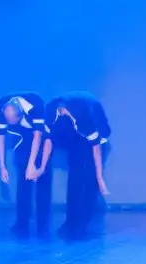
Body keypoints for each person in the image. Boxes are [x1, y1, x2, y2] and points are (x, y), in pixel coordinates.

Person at [46, 92, 111, 238]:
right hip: (74, 138)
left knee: (89, 179)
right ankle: (71, 221)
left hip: (96, 138)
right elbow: (49, 140)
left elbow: (96, 148)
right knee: (74, 178)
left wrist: (99, 178)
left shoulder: (86, 116)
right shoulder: (51, 112)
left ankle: (84, 221)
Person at [0, 93, 54, 237]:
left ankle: (43, 223)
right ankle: (22, 222)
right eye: (7, 120)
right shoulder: (0, 106)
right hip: (22, 139)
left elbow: (38, 136)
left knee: (42, 178)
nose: (9, 123)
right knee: (23, 179)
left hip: (43, 138)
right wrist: (2, 166)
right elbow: (0, 137)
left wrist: (32, 164)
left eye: (12, 120)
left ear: (20, 115)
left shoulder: (36, 105)